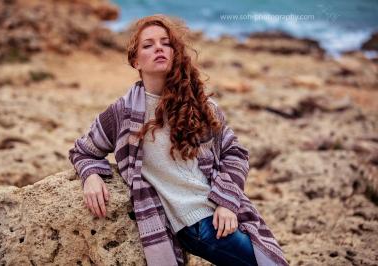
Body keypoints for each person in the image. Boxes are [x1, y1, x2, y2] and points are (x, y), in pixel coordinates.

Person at [68, 14, 289, 266]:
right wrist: (91, 176)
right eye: (148, 45)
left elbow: (235, 153)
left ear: (175, 53)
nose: (159, 48)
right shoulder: (122, 114)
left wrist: (226, 203)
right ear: (135, 60)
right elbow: (82, 151)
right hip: (192, 224)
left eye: (166, 43)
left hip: (221, 210)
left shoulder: (202, 106)